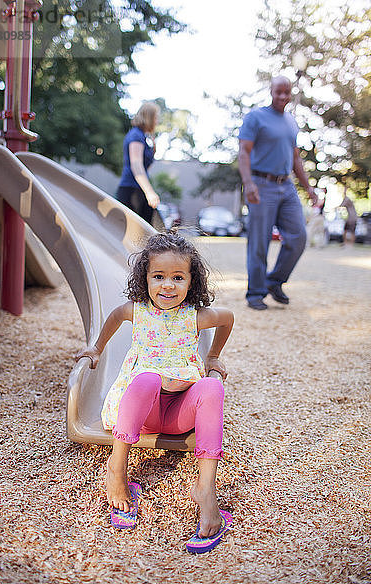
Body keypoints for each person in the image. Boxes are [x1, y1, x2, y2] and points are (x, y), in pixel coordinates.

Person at [75, 233, 234, 551]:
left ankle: (205, 488)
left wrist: (213, 356)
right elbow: (114, 318)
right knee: (147, 378)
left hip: (177, 415)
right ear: (145, 277)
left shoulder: (194, 317)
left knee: (212, 387)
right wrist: (96, 349)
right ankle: (116, 470)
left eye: (178, 277)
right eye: (158, 276)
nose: (168, 285)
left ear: (192, 282)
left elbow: (228, 318)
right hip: (141, 413)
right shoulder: (136, 312)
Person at [238, 75, 318, 310]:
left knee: (298, 237)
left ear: (291, 92)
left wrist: (309, 188)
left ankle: (274, 282)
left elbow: (295, 158)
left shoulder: (291, 122)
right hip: (261, 183)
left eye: (286, 92)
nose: (282, 96)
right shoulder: (256, 117)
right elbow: (244, 152)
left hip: (287, 185)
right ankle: (255, 293)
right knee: (259, 241)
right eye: (278, 92)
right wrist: (248, 183)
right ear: (271, 91)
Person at [116, 101, 160, 223]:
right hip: (131, 190)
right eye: (155, 117)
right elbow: (136, 165)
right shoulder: (136, 135)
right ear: (148, 117)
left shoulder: (143, 136)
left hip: (138, 189)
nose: (157, 121)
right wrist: (150, 192)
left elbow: (145, 167)